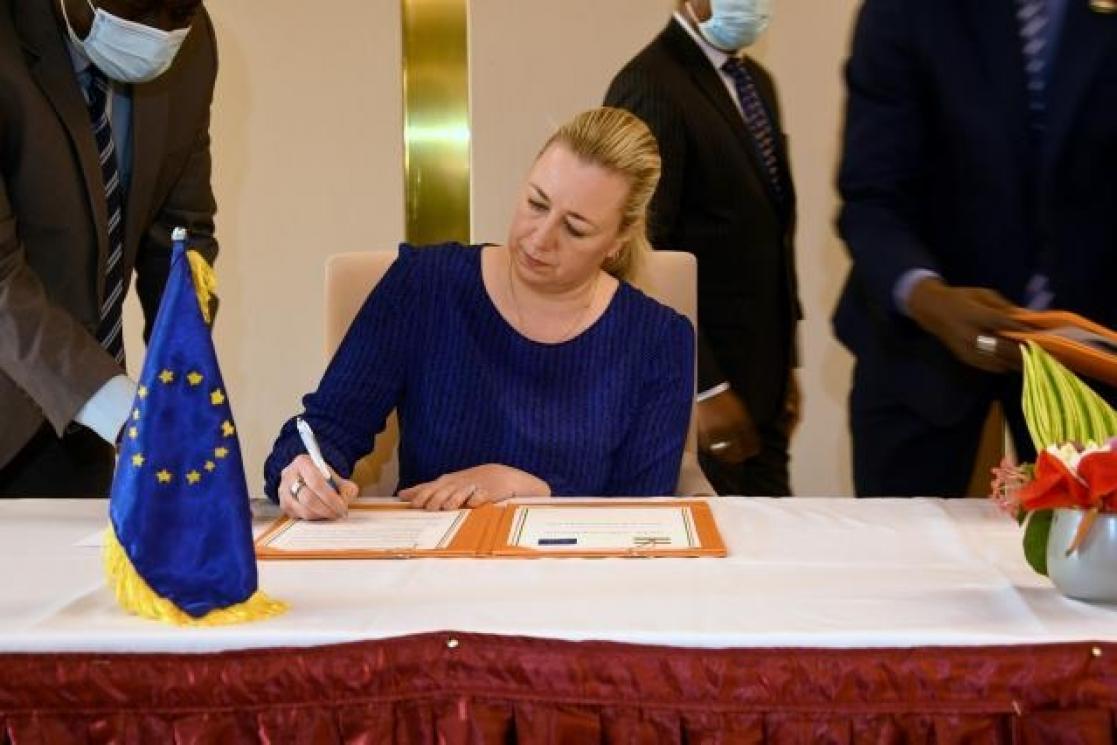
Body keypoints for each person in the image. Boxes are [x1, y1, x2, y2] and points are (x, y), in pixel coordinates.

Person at [264, 107, 696, 518]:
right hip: (434, 574)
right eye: (537, 203)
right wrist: (301, 473)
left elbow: (643, 509)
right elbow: (328, 426)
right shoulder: (424, 285)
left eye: (575, 228)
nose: (540, 238)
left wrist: (529, 487)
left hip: (576, 583)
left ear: (618, 241)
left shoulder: (659, 339)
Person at [836, 0, 1117, 496]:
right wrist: (927, 296)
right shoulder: (905, 12)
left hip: (1092, 353)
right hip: (921, 348)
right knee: (905, 560)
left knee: (1088, 564)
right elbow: (872, 196)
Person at [0, 0, 219, 497]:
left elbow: (184, 237)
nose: (157, 32)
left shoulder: (191, 44)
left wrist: (179, 387)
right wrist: (130, 415)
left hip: (82, 429)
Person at [604, 0, 801, 497]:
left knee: (773, 551)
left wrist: (786, 364)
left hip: (764, 379)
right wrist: (702, 385)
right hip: (700, 392)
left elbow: (771, 231)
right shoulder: (650, 85)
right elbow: (642, 251)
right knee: (716, 557)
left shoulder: (758, 82)